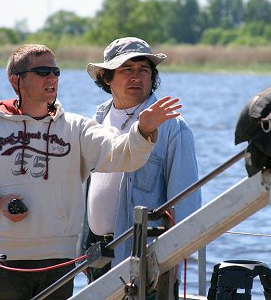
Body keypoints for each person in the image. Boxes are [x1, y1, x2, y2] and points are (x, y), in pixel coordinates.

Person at [0, 43, 181, 299]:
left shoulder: (76, 128)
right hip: (0, 261)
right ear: (17, 81)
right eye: (42, 71)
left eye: (56, 71)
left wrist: (143, 131)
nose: (52, 78)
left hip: (60, 263)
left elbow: (124, 155)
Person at [83, 37, 201, 297]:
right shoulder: (96, 120)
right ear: (106, 77)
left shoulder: (173, 127)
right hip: (96, 256)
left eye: (144, 70)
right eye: (127, 70)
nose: (136, 77)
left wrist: (164, 264)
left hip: (145, 263)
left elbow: (186, 206)